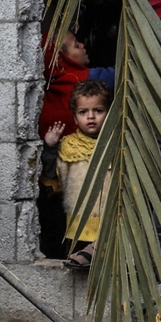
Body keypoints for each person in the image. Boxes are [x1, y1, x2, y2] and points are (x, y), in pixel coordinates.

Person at [41, 80, 112, 268]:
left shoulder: (117, 145)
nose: (91, 117)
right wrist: (50, 148)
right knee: (76, 273)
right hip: (78, 229)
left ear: (109, 113)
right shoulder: (68, 146)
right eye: (83, 112)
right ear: (74, 118)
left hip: (111, 229)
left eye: (98, 111)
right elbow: (53, 182)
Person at [39, 31, 114, 140]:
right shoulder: (90, 78)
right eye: (76, 45)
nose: (82, 45)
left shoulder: (45, 98)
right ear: (62, 58)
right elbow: (125, 71)